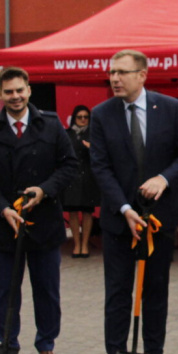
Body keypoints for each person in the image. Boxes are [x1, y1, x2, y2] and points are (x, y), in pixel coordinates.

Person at [89, 50, 178, 354]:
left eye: (122, 72)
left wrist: (164, 179)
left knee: (156, 289)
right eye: (112, 72)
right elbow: (100, 167)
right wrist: (124, 208)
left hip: (160, 218)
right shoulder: (101, 114)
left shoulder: (169, 108)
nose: (114, 78)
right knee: (117, 292)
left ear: (143, 75)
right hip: (119, 219)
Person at [0, 68, 78, 354]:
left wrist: (44, 190)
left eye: (20, 90)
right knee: (5, 292)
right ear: (0, 95)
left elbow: (69, 165)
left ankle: (46, 345)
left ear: (29, 90)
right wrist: (2, 208)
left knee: (47, 291)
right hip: (5, 226)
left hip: (44, 224)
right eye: (9, 92)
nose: (15, 97)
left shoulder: (51, 124)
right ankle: (7, 344)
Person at [63, 105, 99, 258]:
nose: (83, 120)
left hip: (88, 176)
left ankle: (84, 245)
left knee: (87, 211)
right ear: (74, 118)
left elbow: (102, 155)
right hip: (71, 177)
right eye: (80, 117)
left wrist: (92, 148)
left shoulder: (94, 134)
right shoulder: (67, 134)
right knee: (72, 211)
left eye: (86, 117)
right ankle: (76, 244)